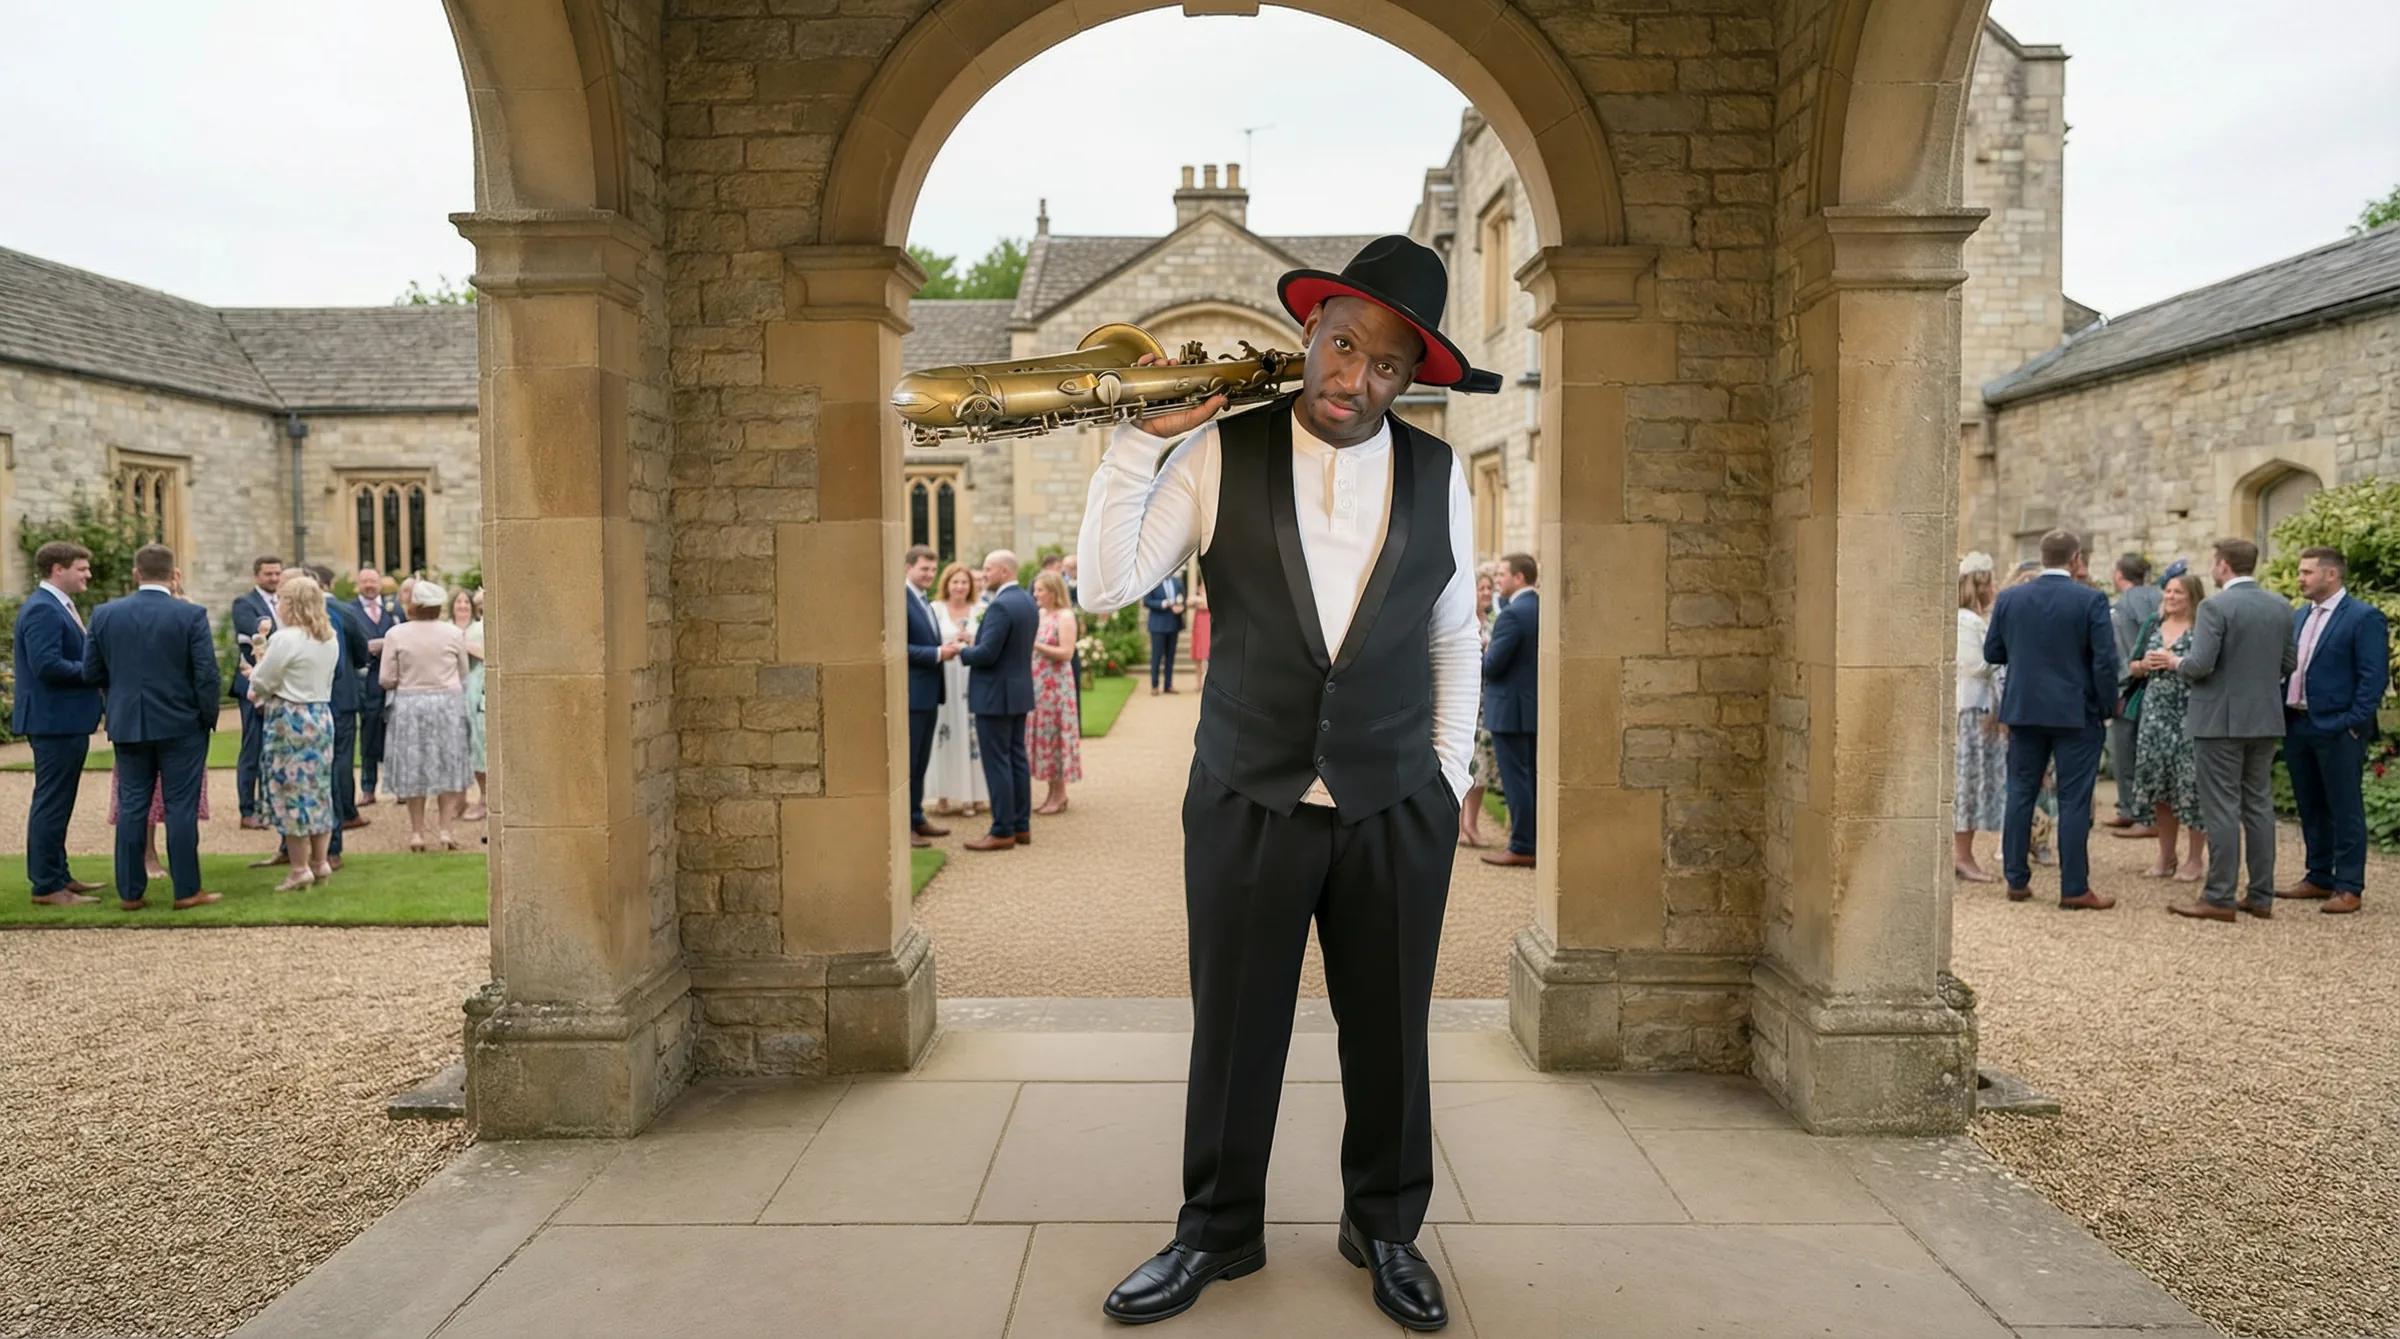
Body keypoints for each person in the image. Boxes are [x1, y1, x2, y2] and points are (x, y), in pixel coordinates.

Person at [1078, 236, 1487, 1330]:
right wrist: (1136, 445)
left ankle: (1386, 1227)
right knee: (1235, 1030)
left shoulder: (1442, 476)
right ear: (1309, 333)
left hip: (1397, 803)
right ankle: (1214, 1231)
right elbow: (1106, 582)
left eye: (1388, 365)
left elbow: (1456, 638)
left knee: (1391, 1032)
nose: (1356, 380)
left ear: (1412, 377)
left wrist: (1443, 784)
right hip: (1247, 799)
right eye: (1344, 345)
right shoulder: (1224, 453)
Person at [2161, 540, 2298, 921]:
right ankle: (2261, 895)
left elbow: (2200, 664)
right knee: (2258, 805)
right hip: (2265, 717)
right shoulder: (2280, 605)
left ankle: (2219, 896)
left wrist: (2176, 663)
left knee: (2221, 808)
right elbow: (2289, 661)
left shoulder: (2214, 606)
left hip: (2218, 719)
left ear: (2223, 566)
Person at [1983, 528, 2119, 910]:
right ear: (2075, 559)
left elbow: (1993, 652)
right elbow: (2105, 662)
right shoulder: (2090, 600)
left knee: (2021, 791)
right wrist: (2107, 706)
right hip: (2076, 712)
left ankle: (2016, 879)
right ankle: (2074, 888)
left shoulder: (2010, 598)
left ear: (2042, 556)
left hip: (2025, 709)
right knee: (2074, 799)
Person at [84, 544, 221, 910]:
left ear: (136, 573)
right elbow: (207, 674)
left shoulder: (104, 614)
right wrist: (207, 717)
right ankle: (187, 890)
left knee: (132, 805)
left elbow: (91, 672)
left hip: (128, 722)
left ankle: (130, 892)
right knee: (180, 807)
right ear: (173, 574)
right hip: (181, 725)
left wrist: (118, 701)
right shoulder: (190, 615)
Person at [2279, 545, 2390, 915]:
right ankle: (2318, 875)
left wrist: (2352, 724)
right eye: (2300, 571)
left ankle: (2349, 886)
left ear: (2331, 574)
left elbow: (2373, 678)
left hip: (2339, 728)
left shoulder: (2363, 617)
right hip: (2297, 723)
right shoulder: (2299, 616)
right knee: (2310, 805)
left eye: (2307, 572)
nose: (2300, 578)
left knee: (2345, 807)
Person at [15, 541, 105, 906]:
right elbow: (47, 665)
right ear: (58, 569)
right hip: (54, 721)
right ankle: (47, 886)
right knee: (51, 803)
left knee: (59, 801)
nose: (88, 575)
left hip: (64, 720)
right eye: (81, 568)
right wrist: (96, 672)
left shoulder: (57, 606)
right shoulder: (43, 609)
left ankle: (60, 874)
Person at [248, 573, 341, 889]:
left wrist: (256, 668)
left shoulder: (285, 638)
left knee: (292, 792)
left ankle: (300, 868)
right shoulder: (328, 637)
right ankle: (321, 861)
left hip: (290, 716)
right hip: (320, 714)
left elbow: (262, 682)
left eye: (282, 600)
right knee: (318, 788)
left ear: (292, 604)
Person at [2122, 572, 2207, 881]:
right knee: (2159, 787)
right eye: (2168, 592)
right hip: (2154, 715)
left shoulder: (2202, 628)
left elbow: (2209, 667)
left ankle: (2195, 859)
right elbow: (2131, 665)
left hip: (2189, 714)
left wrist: (2175, 661)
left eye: (2178, 593)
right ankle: (2166, 855)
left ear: (2192, 597)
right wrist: (2144, 665)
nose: (2170, 597)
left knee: (2192, 787)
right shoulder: (2153, 626)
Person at [379, 580, 474, 851]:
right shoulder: (453, 633)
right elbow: (463, 672)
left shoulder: (396, 634)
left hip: (411, 703)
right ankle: (445, 830)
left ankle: (417, 833)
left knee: (414, 766)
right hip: (447, 702)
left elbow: (386, 678)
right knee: (447, 765)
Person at [954, 550, 1037, 852]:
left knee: (998, 762)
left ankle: (1002, 829)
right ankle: (1021, 826)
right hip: (1018, 692)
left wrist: (960, 651)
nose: (984, 574)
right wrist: (974, 642)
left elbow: (988, 655)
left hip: (994, 695)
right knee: (1016, 758)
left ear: (1003, 571)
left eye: (988, 569)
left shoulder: (1001, 605)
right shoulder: (1027, 600)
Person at [1480, 552, 1539, 868]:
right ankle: (1533, 840)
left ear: (1519, 578)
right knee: (1531, 778)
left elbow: (1492, 666)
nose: (1498, 580)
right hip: (1532, 709)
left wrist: (1486, 651)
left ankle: (1521, 844)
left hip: (1509, 711)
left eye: (1502, 575)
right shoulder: (1540, 607)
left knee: (1516, 780)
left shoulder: (1513, 614)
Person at [2103, 554, 2162, 835]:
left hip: (2131, 687)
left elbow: (2121, 650)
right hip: (2163, 684)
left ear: (2118, 575)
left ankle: (2137, 812)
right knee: (2152, 752)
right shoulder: (2160, 596)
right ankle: (2138, 810)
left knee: (2125, 751)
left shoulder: (2121, 607)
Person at [1953, 553, 2004, 882]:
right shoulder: (1966, 621)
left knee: (1974, 782)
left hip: (1978, 707)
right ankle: (1963, 855)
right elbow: (1975, 664)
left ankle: (1964, 854)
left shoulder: (1973, 620)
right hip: (1970, 710)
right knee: (1967, 784)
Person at [902, 545, 956, 848]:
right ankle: (905, 825)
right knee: (909, 763)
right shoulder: (901, 599)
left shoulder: (924, 601)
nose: (930, 574)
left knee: (921, 761)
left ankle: (917, 816)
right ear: (908, 568)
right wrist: (938, 653)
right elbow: (899, 648)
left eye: (933, 570)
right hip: (912, 695)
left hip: (929, 694)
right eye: (924, 569)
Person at [926, 562, 989, 816]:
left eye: (964, 582)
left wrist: (972, 641)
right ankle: (942, 794)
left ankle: (971, 796)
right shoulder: (935, 609)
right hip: (944, 677)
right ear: (947, 584)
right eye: (955, 582)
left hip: (970, 678)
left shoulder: (981, 609)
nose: (960, 587)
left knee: (970, 734)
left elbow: (988, 642)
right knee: (944, 733)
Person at [230, 555, 284, 829]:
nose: (274, 578)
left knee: (275, 748)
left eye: (277, 573)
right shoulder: (244, 604)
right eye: (268, 574)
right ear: (257, 576)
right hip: (251, 682)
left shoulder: (284, 601)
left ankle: (270, 806)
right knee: (252, 747)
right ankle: (247, 810)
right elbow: (255, 634)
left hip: (280, 684)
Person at [1028, 570, 1082, 814]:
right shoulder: (1039, 614)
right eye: (1036, 589)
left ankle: (1059, 795)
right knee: (1045, 737)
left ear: (1053, 591)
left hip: (1057, 686)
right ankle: (1051, 792)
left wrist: (1036, 645)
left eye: (1040, 590)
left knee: (1056, 736)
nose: (1035, 594)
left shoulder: (1065, 616)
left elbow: (1067, 653)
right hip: (1039, 684)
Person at [349, 568, 400, 805]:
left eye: (373, 581)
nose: (369, 585)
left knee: (398, 733)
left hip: (394, 681)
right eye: (365, 581)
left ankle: (401, 787)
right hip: (365, 680)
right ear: (359, 584)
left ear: (380, 583)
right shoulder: (350, 610)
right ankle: (368, 788)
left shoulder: (394, 609)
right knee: (368, 734)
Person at [1458, 568, 1498, 849]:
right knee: (1462, 765)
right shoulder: (1463, 624)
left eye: (1488, 588)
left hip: (1488, 704)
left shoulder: (1495, 623)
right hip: (1467, 702)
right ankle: (1458, 826)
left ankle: (1472, 825)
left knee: (1481, 767)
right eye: (1480, 588)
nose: (1485, 593)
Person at [452, 587, 489, 821]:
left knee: (479, 744)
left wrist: (469, 648)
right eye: (459, 603)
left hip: (477, 689)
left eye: (468, 602)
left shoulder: (480, 629)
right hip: (459, 689)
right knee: (461, 746)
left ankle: (485, 799)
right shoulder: (454, 629)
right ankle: (460, 799)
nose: (464, 606)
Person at [1143, 571, 1188, 695]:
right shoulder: (1153, 582)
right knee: (1156, 656)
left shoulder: (1176, 582)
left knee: (1170, 657)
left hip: (1173, 624)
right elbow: (1146, 602)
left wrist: (1182, 607)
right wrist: (1162, 604)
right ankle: (1155, 685)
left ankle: (1168, 685)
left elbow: (1183, 599)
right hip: (1158, 625)